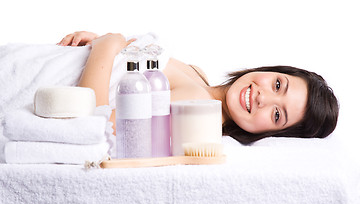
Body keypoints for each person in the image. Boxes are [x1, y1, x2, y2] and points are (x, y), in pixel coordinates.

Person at [58, 31, 339, 145]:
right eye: (278, 84)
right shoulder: (199, 77)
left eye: (278, 115)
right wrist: (94, 43)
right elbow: (124, 65)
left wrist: (106, 46)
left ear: (272, 135)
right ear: (271, 70)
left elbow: (92, 128)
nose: (264, 96)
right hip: (41, 63)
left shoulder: (197, 110)